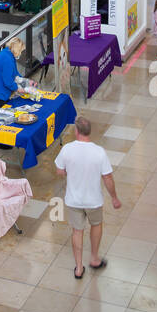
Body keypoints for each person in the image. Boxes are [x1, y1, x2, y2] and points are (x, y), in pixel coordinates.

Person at [54, 115, 122, 278]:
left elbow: (59, 171)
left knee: (77, 231)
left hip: (73, 200)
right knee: (96, 225)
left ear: (76, 131)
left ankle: (78, 268)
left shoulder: (67, 149)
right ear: (89, 132)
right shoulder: (99, 152)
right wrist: (114, 197)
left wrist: (69, 172)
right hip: (93, 201)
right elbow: (107, 178)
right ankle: (94, 259)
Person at [0, 37, 24, 103]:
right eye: (20, 51)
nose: (20, 53)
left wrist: (24, 80)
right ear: (17, 49)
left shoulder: (8, 53)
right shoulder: (7, 60)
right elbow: (8, 82)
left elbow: (14, 73)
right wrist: (18, 88)